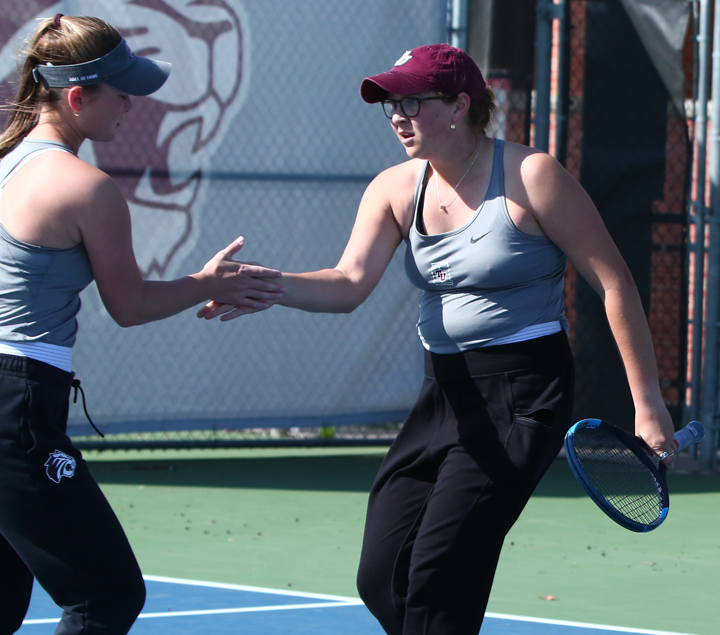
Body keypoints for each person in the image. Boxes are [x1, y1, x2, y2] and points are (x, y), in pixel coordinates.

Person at [199, 44, 676, 635]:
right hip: (442, 395)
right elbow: (348, 283)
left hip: (524, 395)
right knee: (383, 576)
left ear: (458, 104)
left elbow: (615, 282)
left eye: (412, 101)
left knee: (438, 573)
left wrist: (647, 404)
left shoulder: (533, 176)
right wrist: (265, 285)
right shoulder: (396, 187)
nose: (397, 115)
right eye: (390, 104)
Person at [0, 14, 282, 635]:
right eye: (121, 90)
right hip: (9, 411)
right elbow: (130, 307)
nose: (131, 104)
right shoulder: (88, 189)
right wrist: (208, 284)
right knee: (107, 597)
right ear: (77, 98)